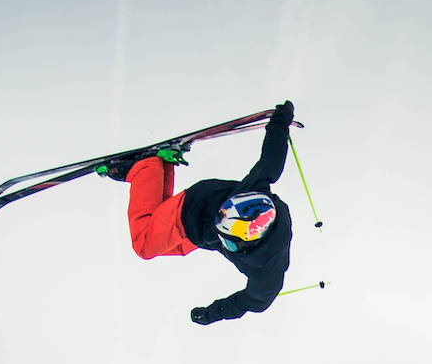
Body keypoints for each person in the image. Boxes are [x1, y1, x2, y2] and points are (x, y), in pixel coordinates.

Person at [101, 101, 295, 326]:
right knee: (144, 244)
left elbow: (251, 301)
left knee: (170, 243)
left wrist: (212, 313)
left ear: (246, 244)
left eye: (228, 241)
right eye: (222, 218)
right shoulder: (255, 191)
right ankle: (146, 168)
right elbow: (273, 155)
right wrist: (281, 121)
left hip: (201, 233)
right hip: (195, 209)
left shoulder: (268, 274)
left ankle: (163, 165)